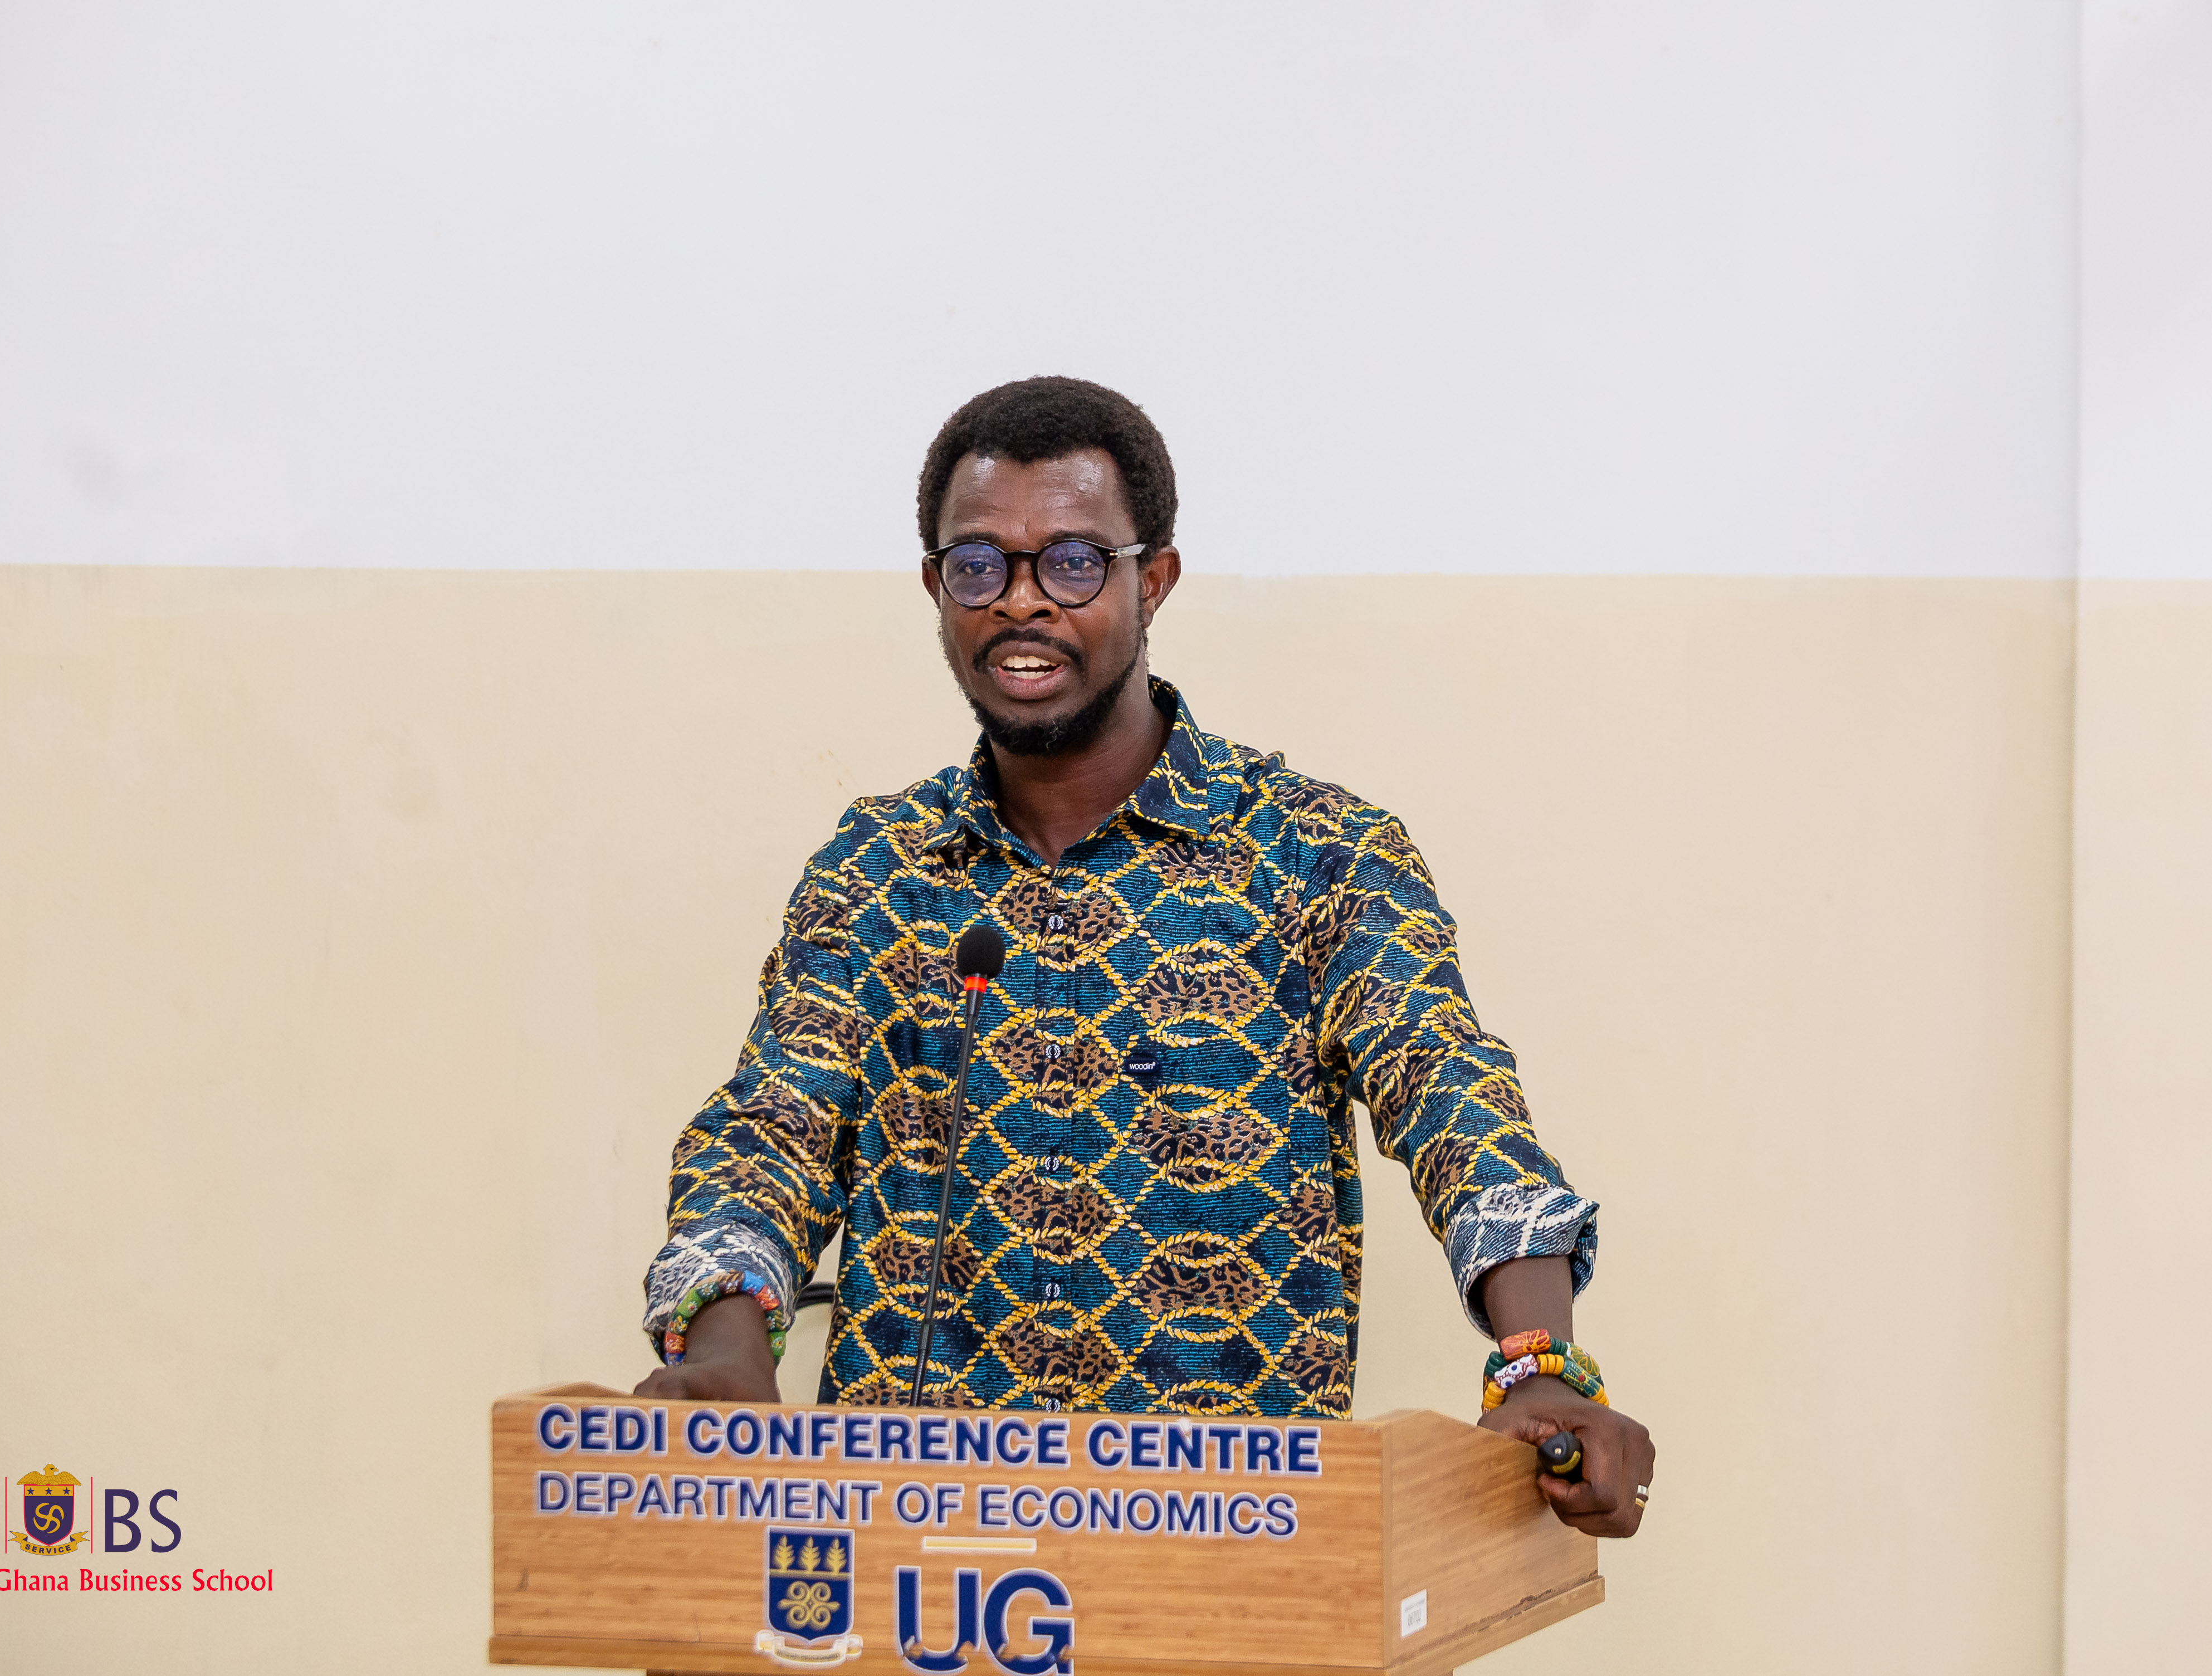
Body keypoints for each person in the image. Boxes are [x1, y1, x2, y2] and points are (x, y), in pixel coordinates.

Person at [633, 376, 1652, 1536]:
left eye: (1072, 562)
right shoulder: (876, 869)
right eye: (979, 565)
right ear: (935, 587)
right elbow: (772, 1129)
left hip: (1229, 1562)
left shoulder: (1317, 854)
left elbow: (1454, 1101)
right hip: (920, 1566)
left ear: (1151, 578)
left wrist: (1538, 1362)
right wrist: (720, 1354)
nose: (1021, 603)